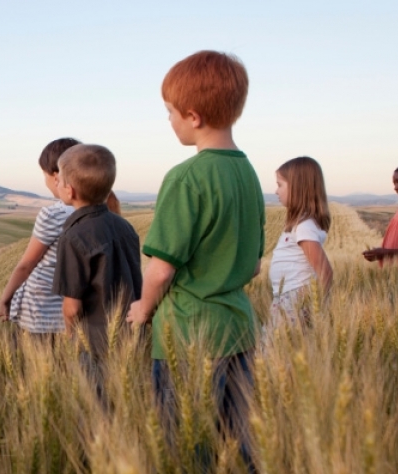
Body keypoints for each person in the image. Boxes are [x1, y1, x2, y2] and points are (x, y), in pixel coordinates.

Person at [125, 50, 263, 471]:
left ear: (193, 116)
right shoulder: (248, 173)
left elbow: (162, 268)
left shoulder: (186, 178)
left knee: (186, 450)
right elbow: (255, 265)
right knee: (239, 447)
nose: (169, 120)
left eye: (170, 112)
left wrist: (143, 308)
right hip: (239, 328)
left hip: (188, 334)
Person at [52, 144, 142, 361]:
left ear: (70, 190)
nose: (56, 183)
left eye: (60, 179)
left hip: (94, 344)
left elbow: (72, 308)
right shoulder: (125, 226)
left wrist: (70, 337)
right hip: (133, 335)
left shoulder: (74, 236)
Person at [0, 138, 78, 337]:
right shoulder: (98, 214)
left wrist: (5, 298)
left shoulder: (53, 214)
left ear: (56, 176)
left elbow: (27, 264)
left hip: (41, 313)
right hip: (76, 316)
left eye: (44, 175)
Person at [268, 156, 333, 327]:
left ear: (298, 188)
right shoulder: (300, 225)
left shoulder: (304, 226)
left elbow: (325, 272)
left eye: (280, 185)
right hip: (287, 297)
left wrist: (314, 308)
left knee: (276, 342)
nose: (276, 191)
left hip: (294, 300)